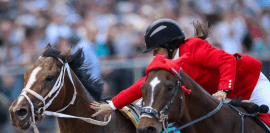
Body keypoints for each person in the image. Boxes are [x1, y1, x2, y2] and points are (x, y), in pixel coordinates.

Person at [90, 18, 270, 121]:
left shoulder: (193, 47)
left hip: (250, 85)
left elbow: (227, 61)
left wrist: (223, 90)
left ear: (169, 45)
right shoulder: (167, 64)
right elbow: (144, 83)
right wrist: (113, 105)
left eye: (156, 49)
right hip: (225, 98)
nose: (155, 54)